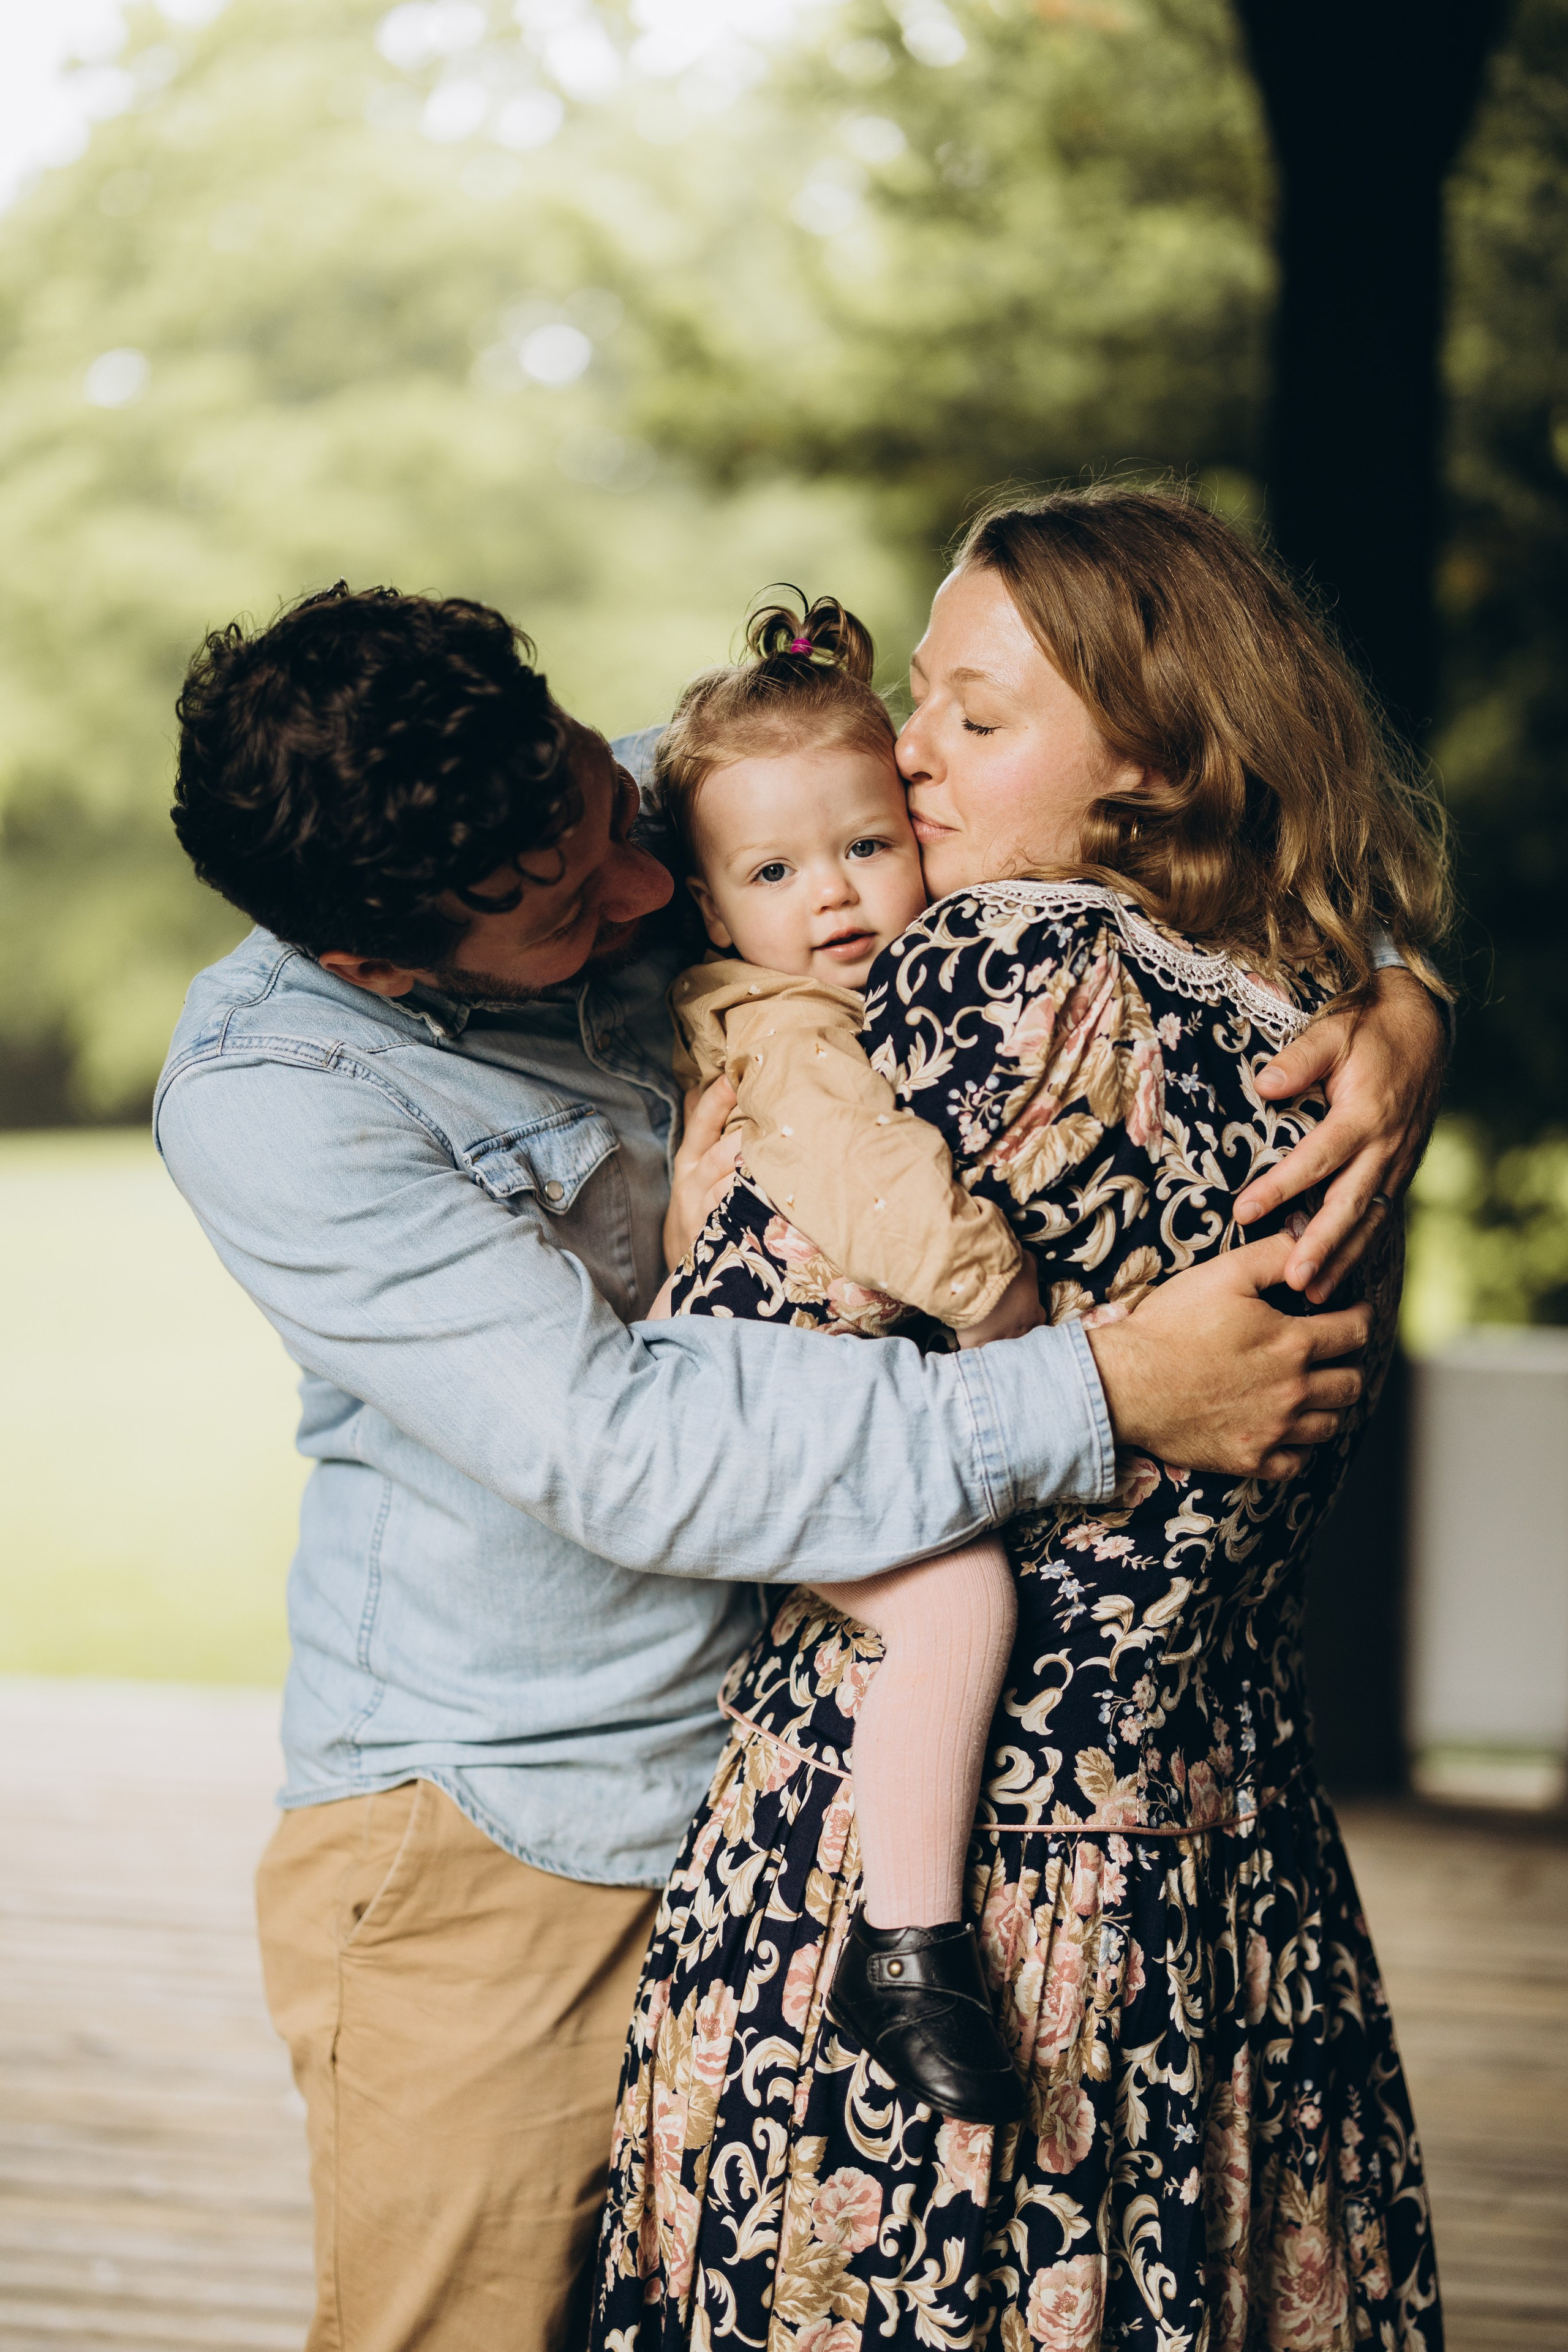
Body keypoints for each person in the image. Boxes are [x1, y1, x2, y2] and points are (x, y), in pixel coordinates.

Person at [154, 578, 1444, 2352]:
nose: (637, 888)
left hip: (769, 1796)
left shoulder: (639, 808)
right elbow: (628, 1450)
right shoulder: (278, 1093)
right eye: (561, 908)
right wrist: (1106, 1389)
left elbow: (1173, 781)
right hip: (511, 1835)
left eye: (607, 816)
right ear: (380, 964)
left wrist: (1395, 991)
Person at [591, 487, 1452, 2350]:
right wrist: (1413, 997)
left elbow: (711, 1412)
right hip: (1233, 1895)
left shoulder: (1008, 973)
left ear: (1151, 768)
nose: (903, 758)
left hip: (939, 1891)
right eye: (919, 696)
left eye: (977, 722)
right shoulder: (1322, 1019)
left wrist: (693, 1236)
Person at [653, 587, 1069, 2128]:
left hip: (768, 1409)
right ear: (709, 906)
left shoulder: (835, 992)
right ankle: (905, 1942)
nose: (829, 894)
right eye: (772, 870)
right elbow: (876, 1196)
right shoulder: (792, 1038)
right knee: (957, 1591)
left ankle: (902, 1930)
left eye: (863, 847)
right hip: (760, 1427)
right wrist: (1001, 1303)